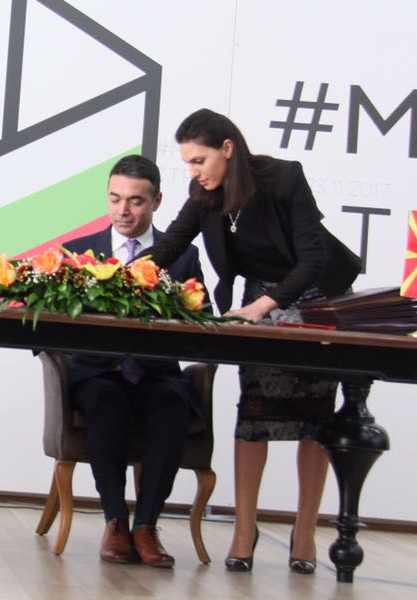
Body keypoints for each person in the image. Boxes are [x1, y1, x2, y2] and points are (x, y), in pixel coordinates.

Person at [146, 108, 361, 574]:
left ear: (227, 149)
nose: (194, 171)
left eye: (199, 160)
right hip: (259, 297)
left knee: (316, 418)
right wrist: (114, 278)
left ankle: (304, 533)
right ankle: (245, 531)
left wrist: (266, 307)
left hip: (317, 296)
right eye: (188, 163)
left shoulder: (284, 179)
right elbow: (168, 248)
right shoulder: (203, 195)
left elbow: (313, 260)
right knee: (254, 414)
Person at [59, 155, 207, 567]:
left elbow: (203, 320)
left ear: (157, 201)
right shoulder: (79, 252)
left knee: (171, 404)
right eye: (115, 199)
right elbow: (52, 323)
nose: (123, 210)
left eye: (136, 201)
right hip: (96, 373)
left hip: (155, 372)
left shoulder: (183, 257)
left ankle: (146, 525)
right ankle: (115, 522)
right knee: (106, 402)